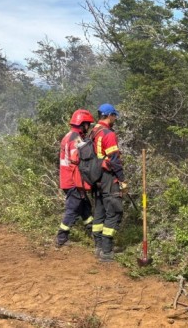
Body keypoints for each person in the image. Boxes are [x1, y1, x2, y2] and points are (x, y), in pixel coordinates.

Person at [90, 103, 127, 262]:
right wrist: (122, 180)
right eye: (114, 115)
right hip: (108, 177)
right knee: (114, 210)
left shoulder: (93, 131)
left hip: (96, 177)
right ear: (109, 115)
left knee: (100, 210)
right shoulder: (108, 133)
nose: (115, 118)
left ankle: (98, 247)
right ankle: (106, 252)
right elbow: (114, 159)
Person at [55, 109, 95, 248]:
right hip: (73, 181)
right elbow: (75, 162)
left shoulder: (68, 135)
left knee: (85, 207)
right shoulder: (75, 138)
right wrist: (82, 183)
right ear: (82, 124)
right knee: (73, 208)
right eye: (87, 124)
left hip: (68, 180)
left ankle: (93, 234)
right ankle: (61, 238)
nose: (88, 127)